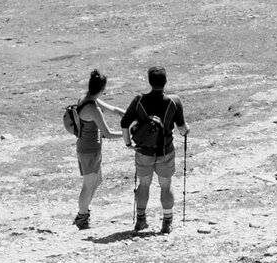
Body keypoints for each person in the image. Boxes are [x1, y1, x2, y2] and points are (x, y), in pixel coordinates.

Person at [120, 65, 187, 234]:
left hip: (144, 151)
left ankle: (141, 220)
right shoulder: (174, 101)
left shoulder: (139, 100)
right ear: (165, 82)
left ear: (149, 82)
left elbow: (124, 123)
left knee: (144, 185)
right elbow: (183, 129)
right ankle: (167, 222)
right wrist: (187, 131)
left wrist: (129, 144)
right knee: (166, 185)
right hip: (165, 151)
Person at [67, 70, 109, 229]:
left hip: (87, 149)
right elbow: (108, 133)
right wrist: (128, 136)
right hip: (89, 151)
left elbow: (113, 110)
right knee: (88, 185)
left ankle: (82, 213)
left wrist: (130, 116)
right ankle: (82, 217)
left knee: (97, 181)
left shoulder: (85, 99)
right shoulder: (93, 108)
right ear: (102, 88)